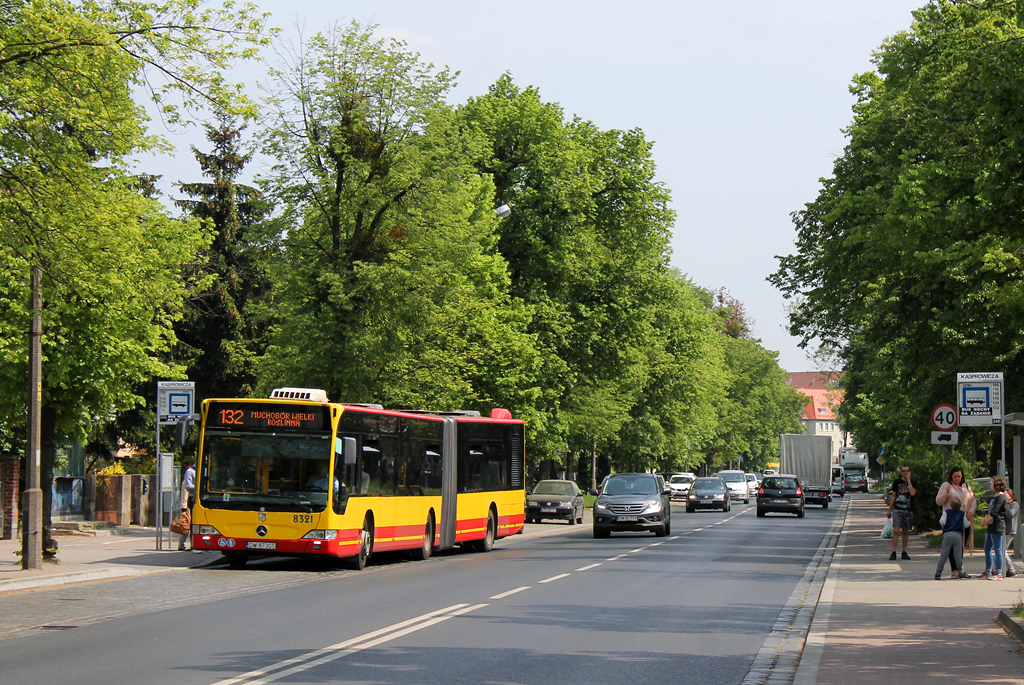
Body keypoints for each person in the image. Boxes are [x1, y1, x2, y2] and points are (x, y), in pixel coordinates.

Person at [936, 466, 975, 576]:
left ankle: (959, 568)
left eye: (959, 476)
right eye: (955, 476)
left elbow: (973, 501)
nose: (957, 478)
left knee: (961, 546)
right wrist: (946, 493)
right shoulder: (946, 486)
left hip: (963, 519)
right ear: (951, 476)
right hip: (951, 521)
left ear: (962, 476)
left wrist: (970, 512)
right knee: (952, 547)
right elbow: (938, 501)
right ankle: (955, 570)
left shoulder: (966, 486)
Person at [888, 465, 918, 560]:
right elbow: (894, 496)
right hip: (897, 509)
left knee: (905, 531)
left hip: (907, 510)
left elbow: (913, 493)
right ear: (901, 472)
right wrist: (889, 509)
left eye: (908, 471)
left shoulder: (913, 483)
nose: (906, 473)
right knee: (896, 530)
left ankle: (904, 551)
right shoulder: (897, 482)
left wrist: (908, 481)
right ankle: (893, 551)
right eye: (904, 471)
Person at [981, 476, 1009, 580]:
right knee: (987, 548)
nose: (989, 484)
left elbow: (994, 512)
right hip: (991, 525)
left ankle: (999, 573)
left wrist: (985, 520)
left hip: (997, 525)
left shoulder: (1001, 497)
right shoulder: (995, 497)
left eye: (991, 483)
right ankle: (988, 571)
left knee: (997, 549)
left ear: (997, 484)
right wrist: (986, 520)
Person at [935, 498, 966, 580]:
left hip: (947, 535)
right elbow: (966, 524)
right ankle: (961, 571)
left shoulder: (947, 512)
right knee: (957, 555)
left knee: (944, 555)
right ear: (961, 506)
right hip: (958, 535)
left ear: (950, 505)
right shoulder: (962, 513)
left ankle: (938, 573)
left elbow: (942, 522)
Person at [178, 461, 197, 552]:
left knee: (187, 525)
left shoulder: (196, 472)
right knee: (186, 525)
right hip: (188, 503)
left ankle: (182, 544)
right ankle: (184, 544)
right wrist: (183, 508)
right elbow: (185, 493)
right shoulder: (190, 472)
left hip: (191, 502)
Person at [1004, 488, 1020, 578]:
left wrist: (1005, 506)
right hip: (1005, 530)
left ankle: (1012, 569)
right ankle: (997, 568)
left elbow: (1010, 514)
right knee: (1001, 550)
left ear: (1010, 495)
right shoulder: (1008, 504)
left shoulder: (1014, 504)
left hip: (1010, 531)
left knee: (1003, 551)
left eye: (1005, 493)